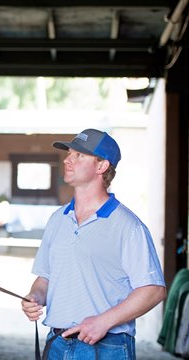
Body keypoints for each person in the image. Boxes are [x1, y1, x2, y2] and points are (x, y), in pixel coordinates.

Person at [21, 129, 166, 359]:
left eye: (79, 155)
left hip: (107, 346)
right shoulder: (57, 219)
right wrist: (35, 297)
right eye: (69, 153)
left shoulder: (128, 226)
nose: (68, 159)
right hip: (57, 343)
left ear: (101, 166)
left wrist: (103, 322)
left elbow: (153, 290)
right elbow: (45, 278)